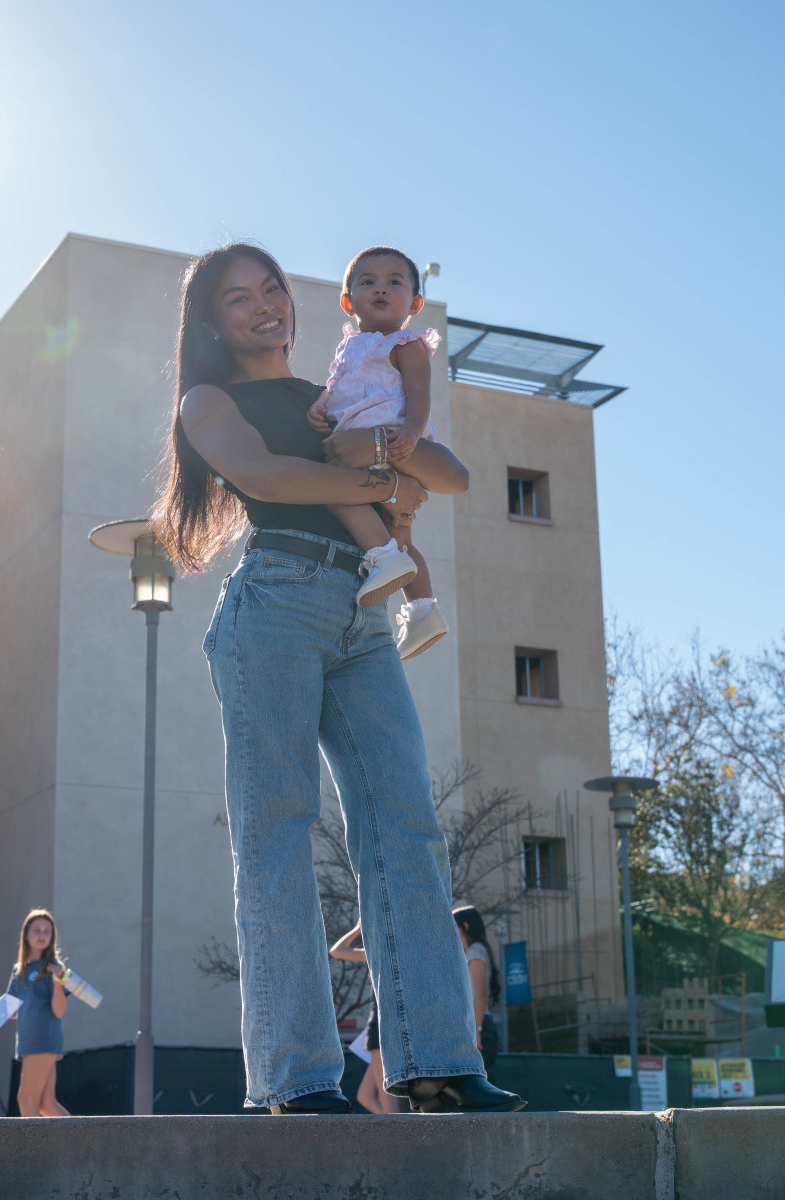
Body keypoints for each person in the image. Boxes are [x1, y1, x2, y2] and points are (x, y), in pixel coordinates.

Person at [158, 242, 523, 1115]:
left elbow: (447, 474)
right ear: (212, 321)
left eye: (272, 288)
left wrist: (406, 449)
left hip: (364, 612)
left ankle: (437, 1059)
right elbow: (262, 474)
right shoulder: (210, 399)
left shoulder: (335, 393)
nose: (263, 306)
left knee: (406, 828)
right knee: (276, 834)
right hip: (274, 603)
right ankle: (294, 1080)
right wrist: (374, 470)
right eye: (238, 298)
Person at [303, 246, 447, 659]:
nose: (380, 289)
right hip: (362, 441)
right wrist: (321, 405)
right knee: (400, 528)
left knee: (335, 491)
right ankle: (422, 611)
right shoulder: (350, 347)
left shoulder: (407, 343)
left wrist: (412, 434)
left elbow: (420, 392)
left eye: (394, 282)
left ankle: (381, 557)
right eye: (368, 282)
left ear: (415, 303)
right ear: (348, 301)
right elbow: (340, 386)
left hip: (390, 439)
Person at [7, 908, 70, 1117]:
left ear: (53, 937)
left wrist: (58, 981)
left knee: (26, 1099)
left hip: (43, 1039)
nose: (42, 935)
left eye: (47, 931)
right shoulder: (19, 970)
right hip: (27, 1041)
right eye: (37, 930)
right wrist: (1, 1003)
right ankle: (81, 1145)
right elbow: (12, 1012)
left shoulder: (53, 968)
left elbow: (59, 1011)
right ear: (26, 934)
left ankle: (33, 1150)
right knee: (46, 1106)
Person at [328, 924, 395, 1114]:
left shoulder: (390, 950)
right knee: (365, 1096)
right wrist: (359, 928)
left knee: (389, 1102)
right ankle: (398, 1135)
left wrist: (359, 928)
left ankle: (400, 1139)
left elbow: (337, 951)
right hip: (379, 1024)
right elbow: (336, 951)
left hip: (382, 1025)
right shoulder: (379, 951)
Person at [453, 906, 501, 1077]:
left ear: (464, 926)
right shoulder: (474, 951)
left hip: (480, 1027)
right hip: (477, 1026)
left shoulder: (475, 951)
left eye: (454, 926)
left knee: (479, 1083)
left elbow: (480, 993)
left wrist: (477, 1030)